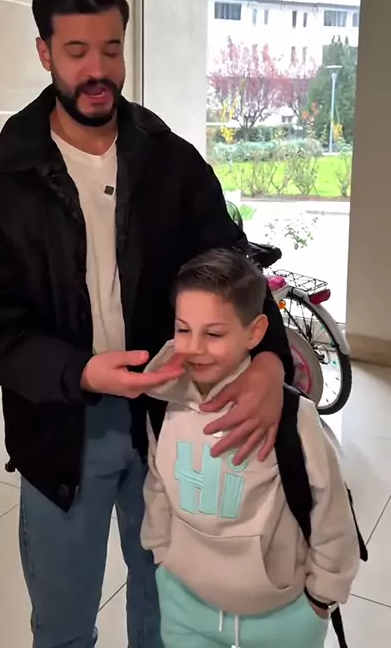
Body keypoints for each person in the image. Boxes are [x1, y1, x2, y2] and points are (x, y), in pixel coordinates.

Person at [0, 0, 294, 648]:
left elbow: (232, 265)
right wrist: (79, 371)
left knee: (165, 608)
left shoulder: (171, 162)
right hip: (59, 430)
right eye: (77, 52)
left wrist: (269, 361)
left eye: (111, 49)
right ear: (45, 52)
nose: (98, 70)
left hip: (170, 417)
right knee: (64, 622)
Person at [141, 248, 360, 648]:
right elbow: (158, 484)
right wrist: (162, 555)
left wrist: (321, 596)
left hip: (283, 618)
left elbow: (329, 507)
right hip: (185, 608)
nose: (194, 347)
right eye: (183, 329)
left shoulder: (293, 415)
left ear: (255, 332)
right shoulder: (164, 401)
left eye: (214, 334)